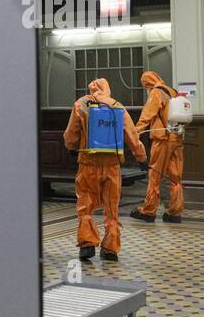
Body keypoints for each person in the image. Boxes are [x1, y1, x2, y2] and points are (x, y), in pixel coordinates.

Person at [63, 77, 147, 261]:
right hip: (112, 166)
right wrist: (141, 158)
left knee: (85, 203)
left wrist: (71, 147)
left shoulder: (82, 104)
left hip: (88, 163)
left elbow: (71, 134)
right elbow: (132, 135)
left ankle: (87, 243)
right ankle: (110, 247)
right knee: (111, 206)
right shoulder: (117, 106)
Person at [128, 71, 185, 224]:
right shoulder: (172, 91)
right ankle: (175, 212)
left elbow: (147, 115)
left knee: (155, 175)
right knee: (175, 177)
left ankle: (149, 211)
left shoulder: (156, 92)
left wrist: (134, 133)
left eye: (145, 85)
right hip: (177, 138)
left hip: (162, 139)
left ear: (148, 83)